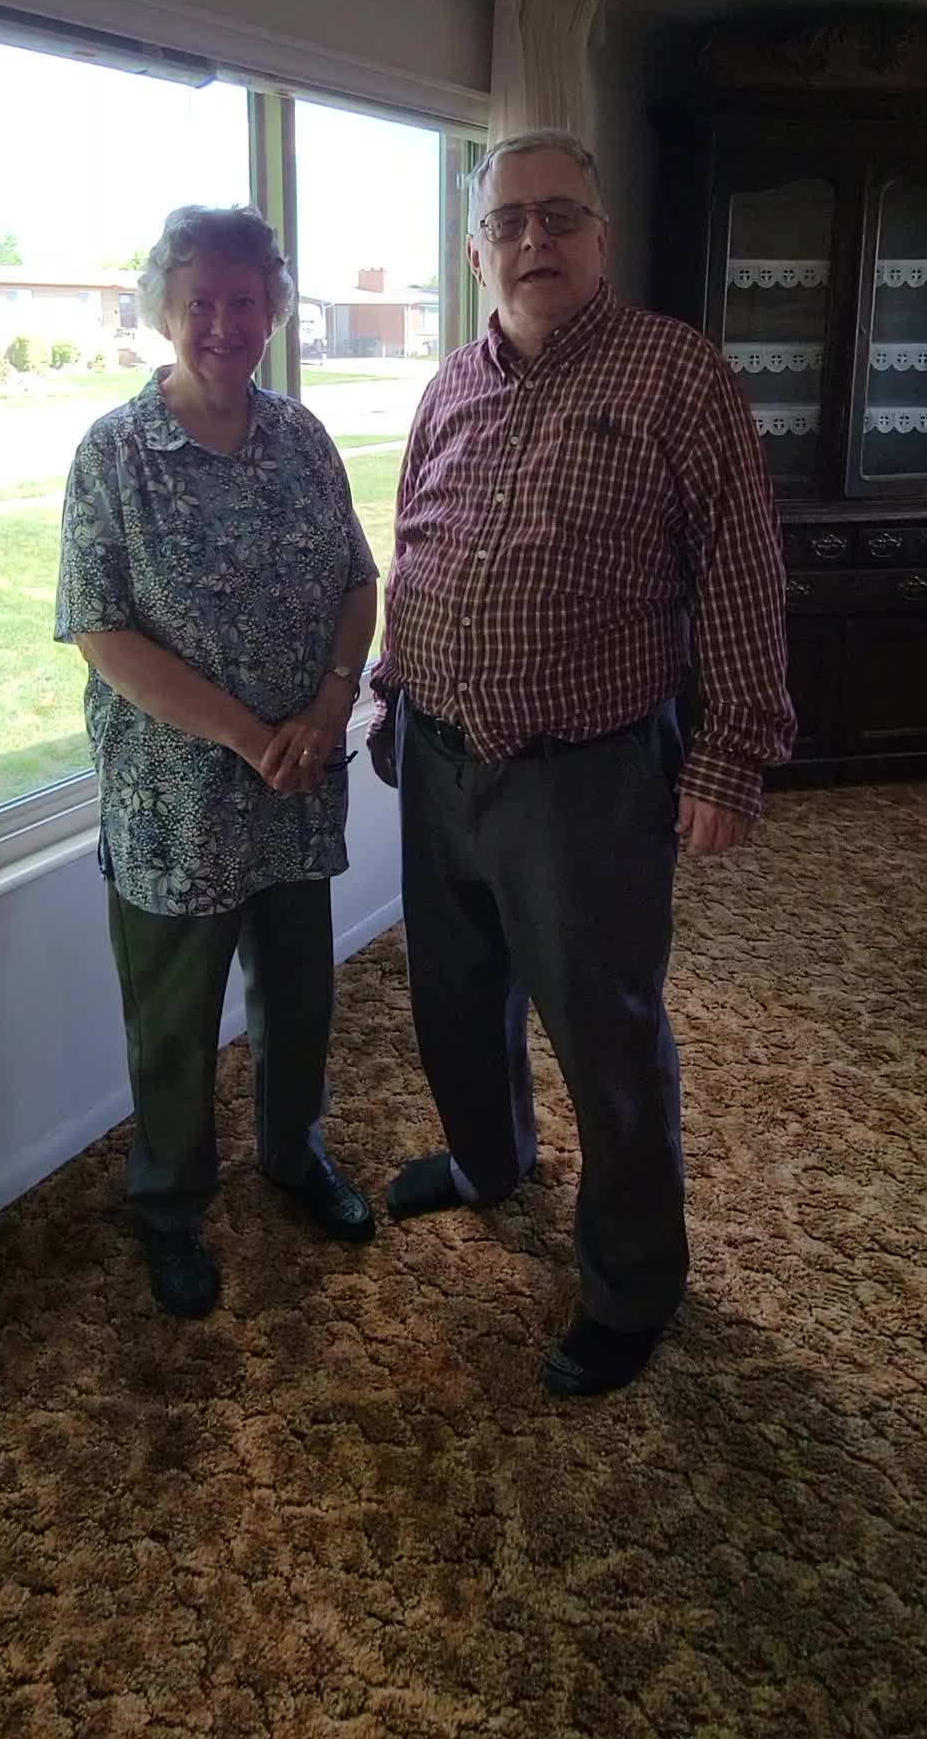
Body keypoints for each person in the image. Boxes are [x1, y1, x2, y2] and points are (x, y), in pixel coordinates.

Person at [368, 128, 795, 1396]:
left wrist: (729, 754)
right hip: (439, 755)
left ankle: (631, 1284)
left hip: (587, 777)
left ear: (601, 239)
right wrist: (393, 693)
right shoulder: (450, 385)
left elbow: (739, 572)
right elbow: (415, 541)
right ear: (476, 251)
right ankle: (489, 1160)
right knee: (453, 997)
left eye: (559, 216)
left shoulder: (678, 374)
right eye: (508, 221)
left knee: (606, 1037)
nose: (533, 239)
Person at [56, 204, 378, 1317]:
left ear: (274, 311)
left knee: (300, 996)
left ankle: (292, 1156)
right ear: (164, 310)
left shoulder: (303, 439)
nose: (224, 324)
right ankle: (170, 1208)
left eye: (246, 301)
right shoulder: (114, 453)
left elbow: (357, 582)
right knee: (175, 1022)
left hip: (299, 784)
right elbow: (105, 636)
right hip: (176, 802)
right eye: (201, 302)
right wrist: (250, 735)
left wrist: (332, 701)